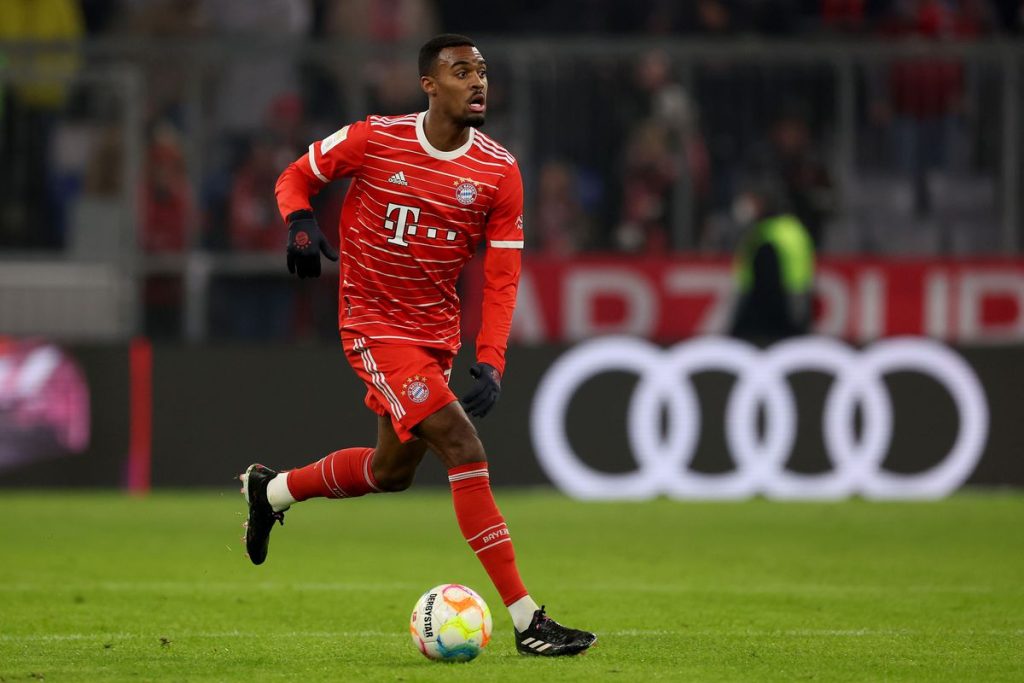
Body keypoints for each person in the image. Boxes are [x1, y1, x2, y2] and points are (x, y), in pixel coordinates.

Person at [240, 34, 596, 657]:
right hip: (372, 323)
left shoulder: (499, 171)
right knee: (462, 444)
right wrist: (299, 221)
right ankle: (528, 622)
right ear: (429, 84)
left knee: (391, 472)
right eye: (461, 71)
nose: (478, 81)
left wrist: (491, 357)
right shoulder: (375, 138)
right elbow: (296, 176)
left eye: (482, 71)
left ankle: (270, 491)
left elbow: (503, 276)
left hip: (436, 336)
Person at [729, 175, 815, 339]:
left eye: (751, 199)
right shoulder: (793, 228)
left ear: (762, 202)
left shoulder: (765, 236)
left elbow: (766, 289)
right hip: (798, 311)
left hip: (774, 320)